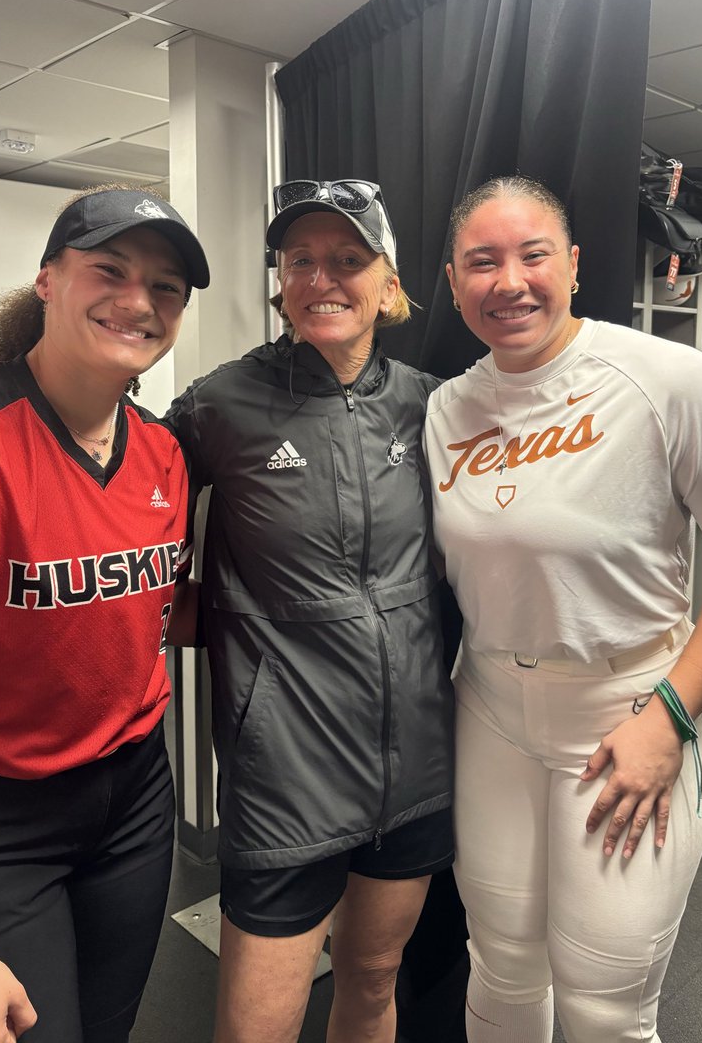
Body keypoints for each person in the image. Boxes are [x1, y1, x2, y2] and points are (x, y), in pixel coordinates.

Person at [423, 175, 702, 1043]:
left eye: (533, 255)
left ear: (575, 264)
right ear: (452, 283)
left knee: (603, 1005)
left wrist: (672, 717)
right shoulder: (446, 410)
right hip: (490, 710)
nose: (508, 281)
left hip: (630, 711)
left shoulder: (668, 380)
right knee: (501, 966)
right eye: (482, 262)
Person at [0, 186, 210, 1043]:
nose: (138, 302)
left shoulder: (163, 451)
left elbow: (146, 612)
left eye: (166, 289)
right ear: (47, 280)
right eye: (109, 270)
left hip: (134, 801)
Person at [167, 179, 455, 1043]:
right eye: (301, 261)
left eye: (347, 259)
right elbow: (122, 509)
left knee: (371, 979)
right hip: (284, 773)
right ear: (280, 282)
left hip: (413, 766)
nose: (322, 277)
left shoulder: (432, 404)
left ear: (388, 282)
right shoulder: (224, 404)